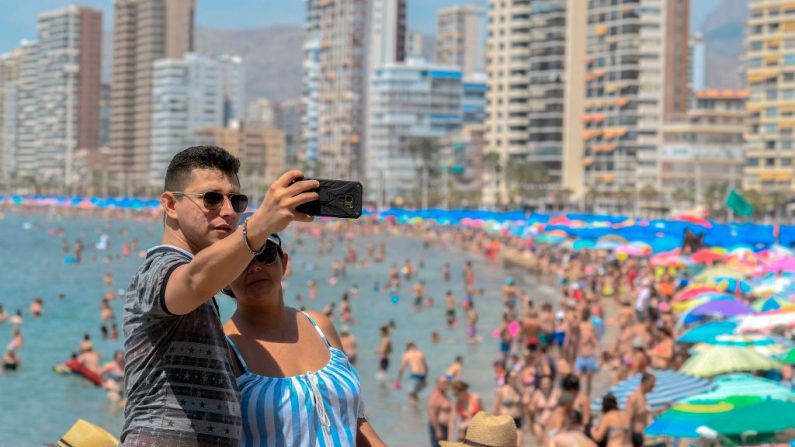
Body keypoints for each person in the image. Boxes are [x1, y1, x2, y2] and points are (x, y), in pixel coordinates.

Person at [121, 146, 318, 446]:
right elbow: (194, 280)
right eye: (211, 199)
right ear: (170, 205)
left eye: (236, 200)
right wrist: (261, 224)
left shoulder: (201, 285)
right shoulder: (158, 269)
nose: (228, 211)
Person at [222, 229, 384, 446]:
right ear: (222, 277)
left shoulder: (320, 326)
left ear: (284, 262)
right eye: (241, 259)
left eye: (265, 254)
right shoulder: (225, 348)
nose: (255, 266)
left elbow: (354, 420)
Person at [492, 371, 525, 447]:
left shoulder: (520, 390)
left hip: (517, 420)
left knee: (518, 444)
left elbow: (523, 407)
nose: (515, 379)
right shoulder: (502, 390)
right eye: (513, 377)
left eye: (516, 377)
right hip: (505, 420)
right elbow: (496, 406)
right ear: (508, 378)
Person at [626, 373, 656, 447]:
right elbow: (627, 419)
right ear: (645, 382)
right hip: (634, 437)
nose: (654, 386)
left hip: (641, 436)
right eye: (652, 383)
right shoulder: (634, 397)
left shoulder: (643, 397)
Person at [428, 375, 454, 446]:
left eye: (446, 382)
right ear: (438, 384)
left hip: (445, 428)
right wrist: (437, 430)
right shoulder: (435, 397)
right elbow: (432, 415)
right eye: (443, 383)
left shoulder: (444, 396)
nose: (446, 384)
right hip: (438, 427)